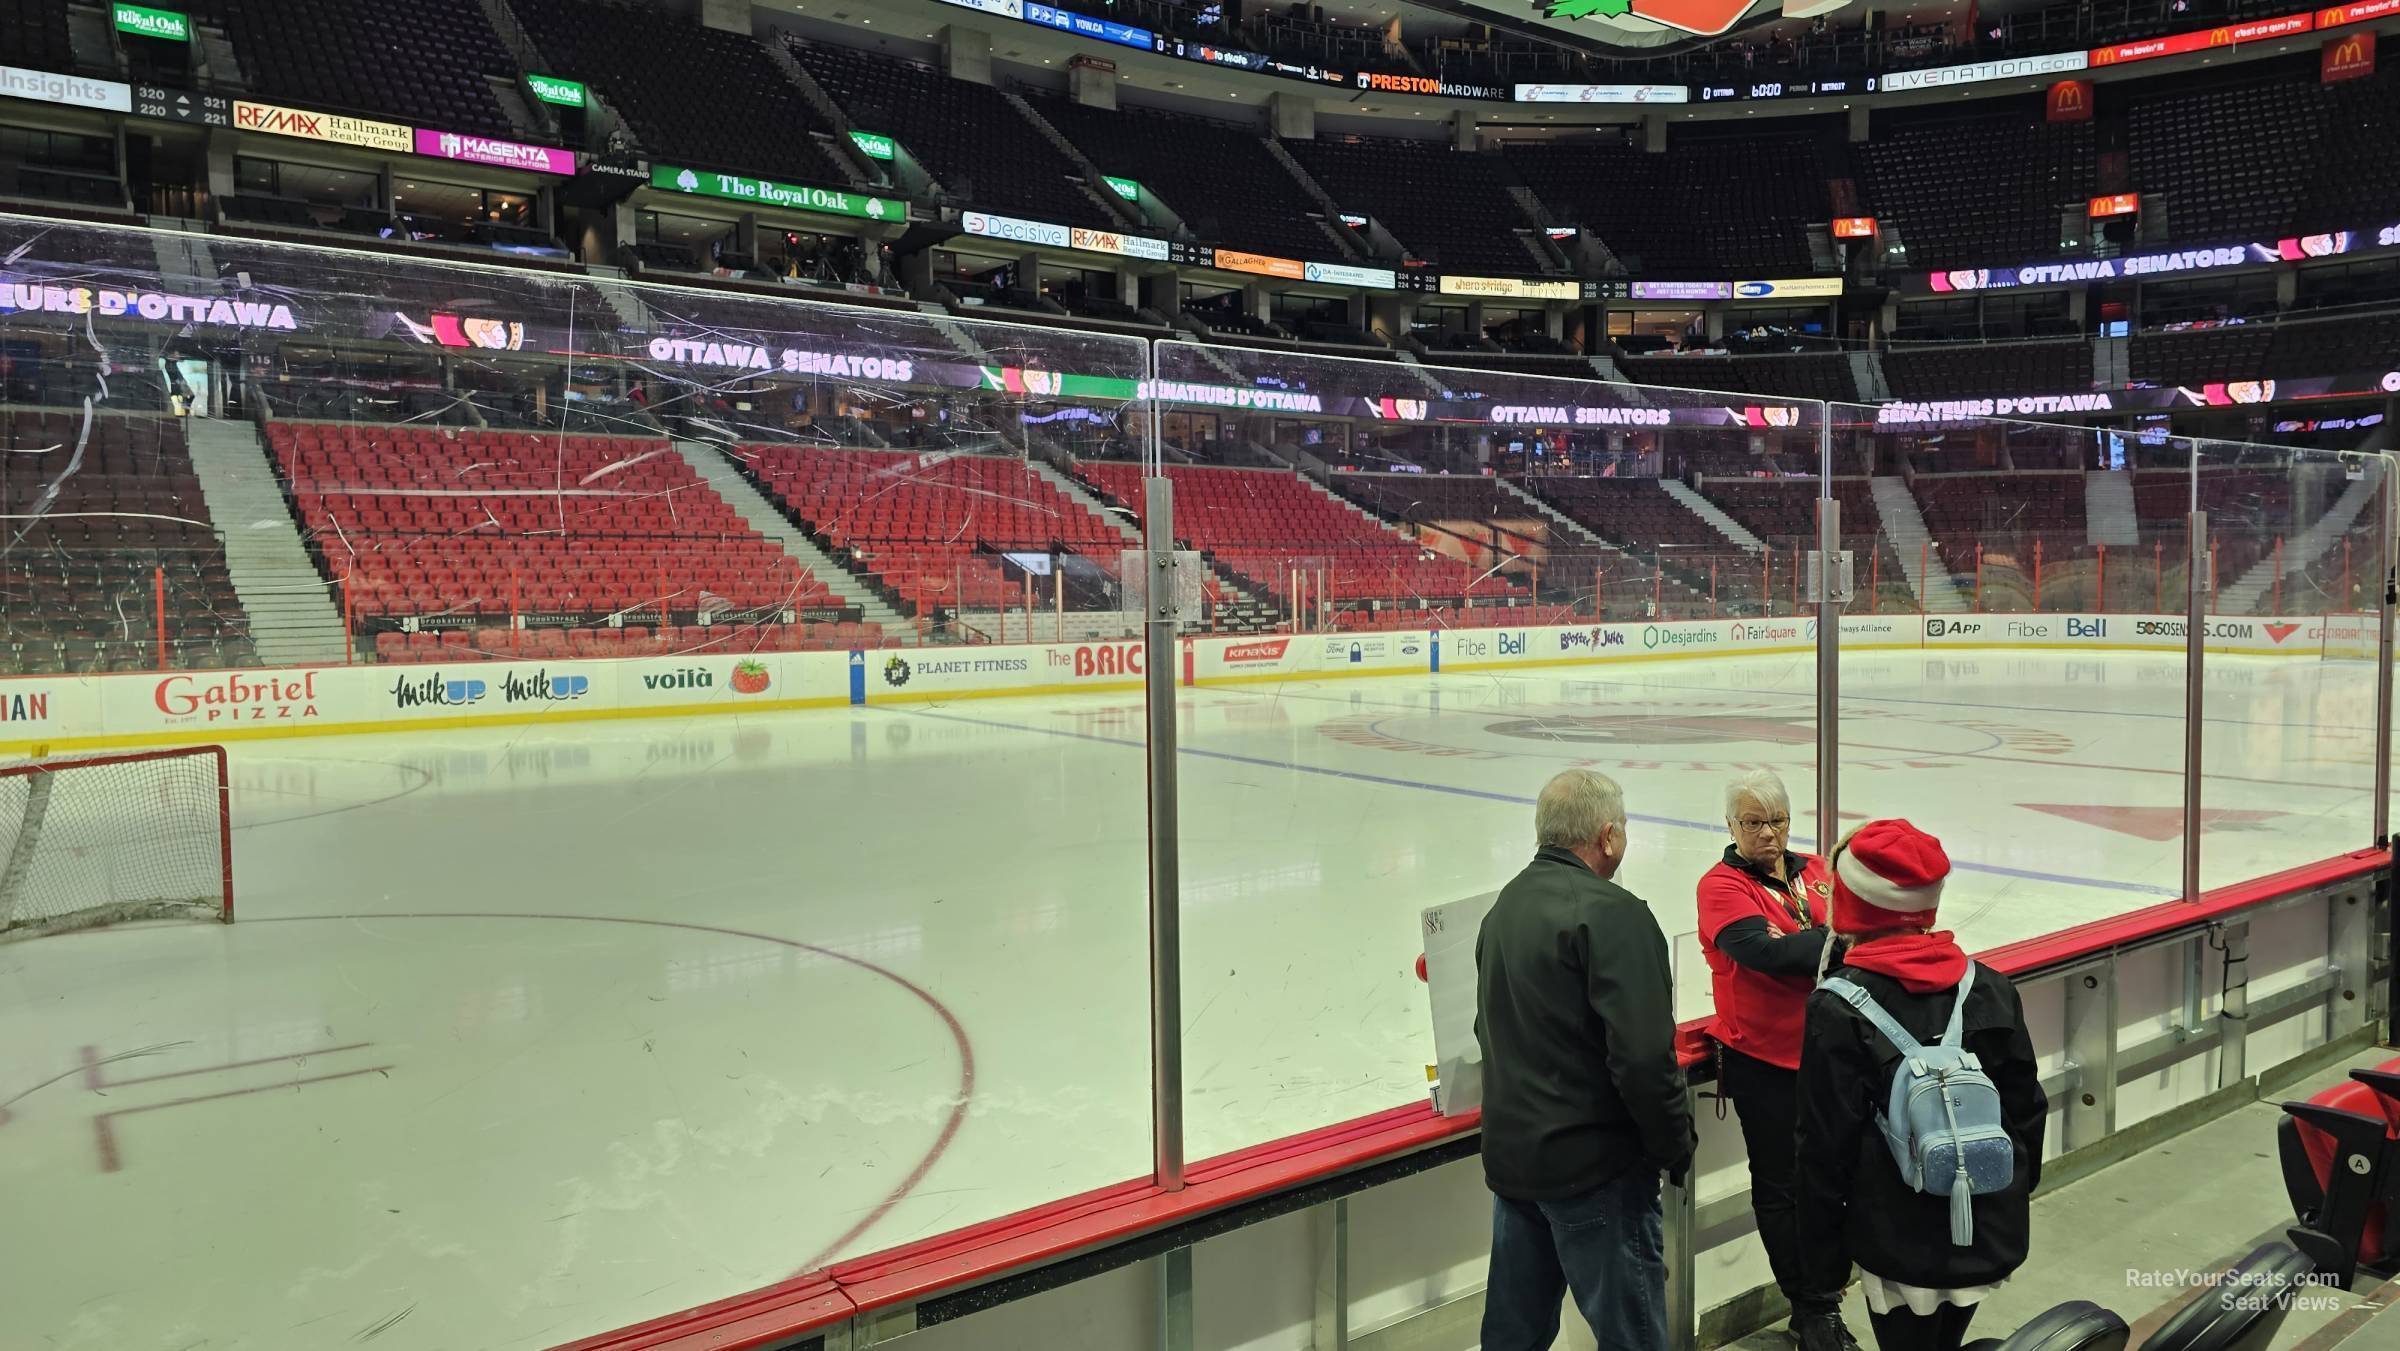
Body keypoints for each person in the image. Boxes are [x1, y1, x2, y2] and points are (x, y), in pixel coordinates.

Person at [1796, 821, 2047, 1351]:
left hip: (1896, 1239)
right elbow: (2026, 1108)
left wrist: (1821, 1273)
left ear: (1855, 902)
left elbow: (1824, 1147)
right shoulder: (1990, 987)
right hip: (1982, 1225)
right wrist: (2008, 1194)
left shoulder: (1838, 1008)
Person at [1475, 769, 1694, 1351]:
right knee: (1634, 1337)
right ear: (1608, 836)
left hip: (1516, 1164)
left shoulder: (1503, 909)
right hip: (1595, 1172)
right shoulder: (1613, 914)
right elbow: (1645, 1060)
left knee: (1513, 1337)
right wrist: (1675, 1143)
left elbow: (1487, 1029)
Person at [1695, 771, 1847, 1348]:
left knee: (1834, 1175)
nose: (1768, 833)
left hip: (1830, 1053)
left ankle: (1829, 1290)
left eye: (1776, 821)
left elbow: (1854, 931)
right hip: (1765, 1062)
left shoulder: (1815, 870)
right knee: (1782, 1185)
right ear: (1732, 826)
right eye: (1753, 823)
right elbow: (1762, 953)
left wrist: (1827, 941)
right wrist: (1840, 940)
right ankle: (1811, 1309)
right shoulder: (1721, 885)